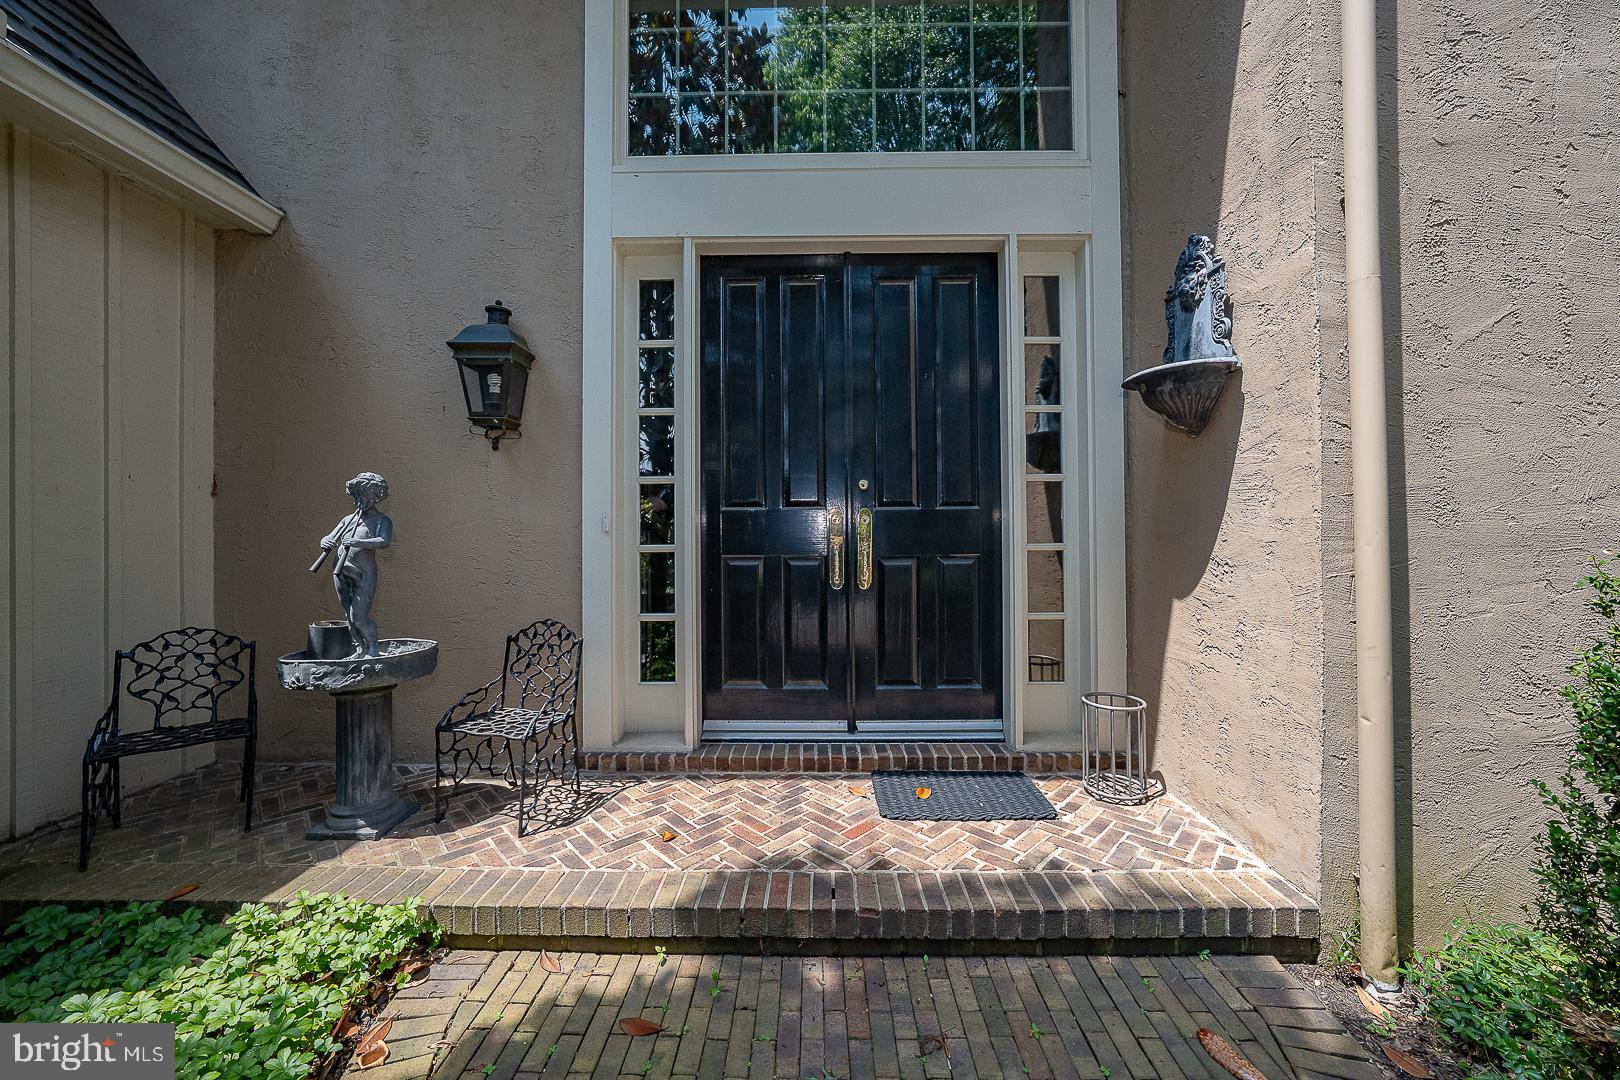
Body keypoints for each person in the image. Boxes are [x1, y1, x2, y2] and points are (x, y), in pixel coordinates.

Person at [319, 472, 393, 657]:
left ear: (375, 497)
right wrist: (326, 541)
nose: (360, 501)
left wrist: (357, 543)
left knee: (358, 617)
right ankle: (360, 648)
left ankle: (373, 647)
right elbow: (330, 537)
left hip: (364, 574)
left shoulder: (382, 520)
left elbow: (384, 541)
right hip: (341, 571)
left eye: (364, 496)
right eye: (357, 497)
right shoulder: (348, 520)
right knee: (348, 616)